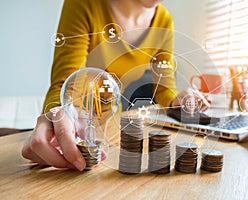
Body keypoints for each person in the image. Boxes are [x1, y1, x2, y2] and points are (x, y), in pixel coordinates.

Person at [22, 0, 210, 171]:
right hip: (74, 124)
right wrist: (59, 113)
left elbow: (164, 87)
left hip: (114, 128)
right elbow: (65, 82)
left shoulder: (164, 20)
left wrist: (179, 99)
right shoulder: (83, 4)